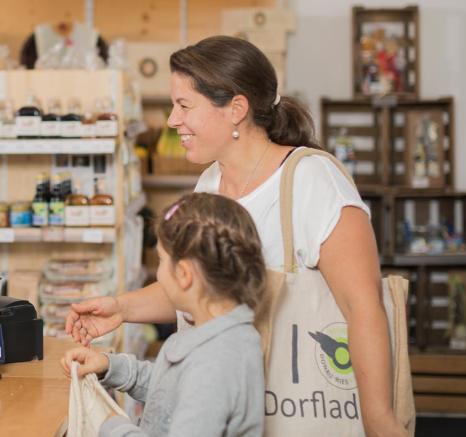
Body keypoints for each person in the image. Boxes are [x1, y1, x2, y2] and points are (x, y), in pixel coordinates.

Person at [66, 36, 406, 436]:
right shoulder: (210, 181)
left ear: (236, 109)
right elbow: (201, 284)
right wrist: (120, 308)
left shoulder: (313, 180)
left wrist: (380, 420)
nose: (173, 120)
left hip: (307, 407)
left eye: (184, 105)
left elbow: (363, 307)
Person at [63, 193, 265, 437]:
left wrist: (111, 424)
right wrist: (109, 367)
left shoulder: (215, 363)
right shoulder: (209, 334)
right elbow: (170, 391)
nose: (158, 274)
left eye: (161, 261)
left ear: (183, 275)